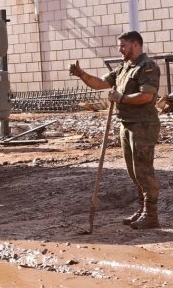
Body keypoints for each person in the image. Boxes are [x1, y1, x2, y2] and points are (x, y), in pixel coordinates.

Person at [69, 31, 161, 229]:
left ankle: (151, 215)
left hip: (143, 125)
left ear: (136, 45)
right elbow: (101, 83)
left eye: (123, 46)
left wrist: (121, 98)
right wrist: (82, 74)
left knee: (143, 171)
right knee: (133, 172)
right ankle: (142, 209)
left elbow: (146, 97)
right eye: (119, 46)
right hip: (127, 123)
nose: (120, 49)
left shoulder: (147, 67)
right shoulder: (124, 68)